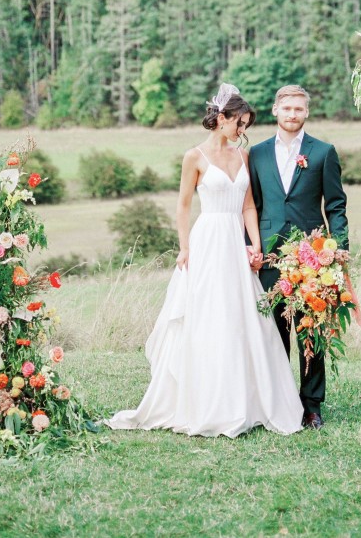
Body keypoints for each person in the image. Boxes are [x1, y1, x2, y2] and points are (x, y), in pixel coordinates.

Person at [106, 84, 303, 438]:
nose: (242, 131)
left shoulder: (243, 158)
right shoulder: (193, 157)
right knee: (208, 314)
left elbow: (248, 206)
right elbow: (183, 206)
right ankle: (203, 399)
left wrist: (255, 246)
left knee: (241, 316)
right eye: (238, 124)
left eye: (245, 125)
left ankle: (248, 400)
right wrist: (184, 248)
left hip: (235, 241)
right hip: (208, 238)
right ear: (221, 119)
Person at [248, 84, 349, 430]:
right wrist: (250, 246)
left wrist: (338, 247)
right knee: (271, 332)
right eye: (287, 108)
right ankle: (276, 402)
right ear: (275, 110)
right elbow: (253, 206)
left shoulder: (323, 152)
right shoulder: (257, 154)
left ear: (307, 113)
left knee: (311, 332)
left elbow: (335, 205)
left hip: (312, 255)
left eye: (299, 109)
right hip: (268, 257)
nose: (292, 114)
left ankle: (311, 406)